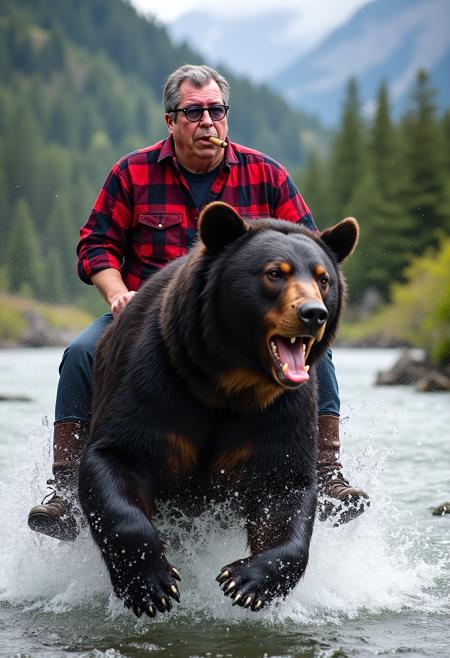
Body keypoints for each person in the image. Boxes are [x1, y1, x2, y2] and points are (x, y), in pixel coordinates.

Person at [28, 64, 368, 541]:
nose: (207, 122)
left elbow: (310, 248)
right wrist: (116, 292)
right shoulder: (132, 171)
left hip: (240, 326)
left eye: (216, 110)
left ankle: (328, 471)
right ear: (171, 120)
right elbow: (96, 245)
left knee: (316, 353)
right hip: (144, 320)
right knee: (83, 352)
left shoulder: (266, 174)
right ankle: (65, 487)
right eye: (194, 112)